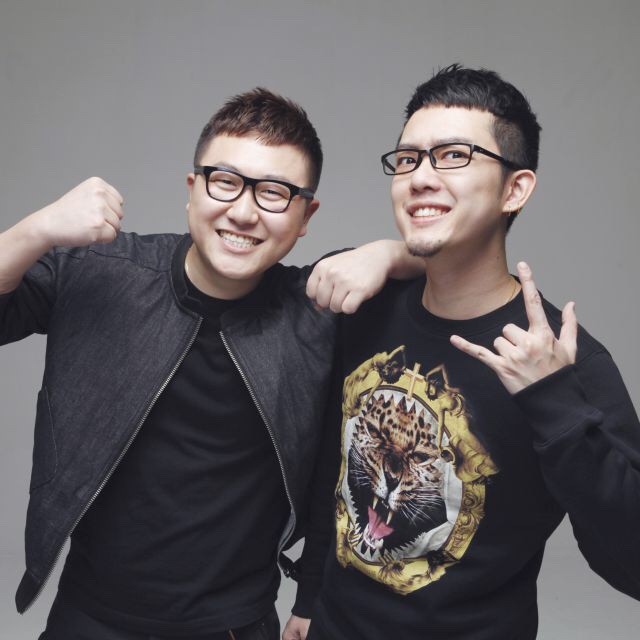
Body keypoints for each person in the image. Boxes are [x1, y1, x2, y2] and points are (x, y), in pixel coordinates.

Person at [0, 88, 420, 640]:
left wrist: (392, 252)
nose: (243, 212)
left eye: (275, 193)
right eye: (225, 181)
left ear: (305, 216)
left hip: (235, 626)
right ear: (192, 189)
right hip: (89, 617)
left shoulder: (317, 311)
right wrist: (33, 231)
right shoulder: (101, 270)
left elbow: (334, 471)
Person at [288, 65, 640, 640]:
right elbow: (341, 469)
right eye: (408, 159)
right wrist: (309, 598)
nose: (420, 177)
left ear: (514, 189)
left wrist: (555, 401)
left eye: (453, 155)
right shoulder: (368, 307)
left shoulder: (564, 359)